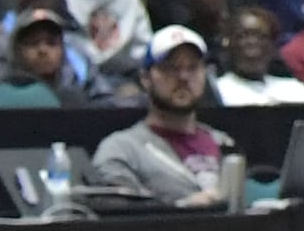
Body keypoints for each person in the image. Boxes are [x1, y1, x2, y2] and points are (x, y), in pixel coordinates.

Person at [87, 25, 234, 205]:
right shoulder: (122, 149)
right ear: (145, 79)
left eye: (193, 67)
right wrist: (182, 208)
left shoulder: (224, 144)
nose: (183, 77)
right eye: (171, 68)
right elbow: (118, 220)